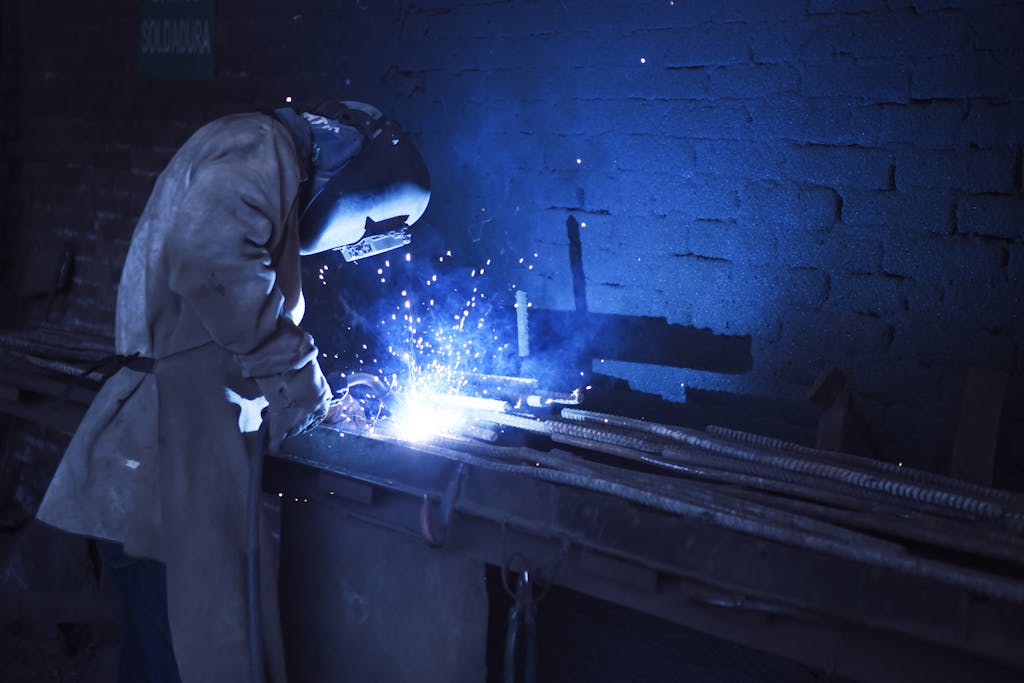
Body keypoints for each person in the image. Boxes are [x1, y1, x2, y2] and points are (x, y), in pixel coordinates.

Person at [35, 100, 430, 682]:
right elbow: (214, 263)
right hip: (171, 457)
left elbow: (224, 309)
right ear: (366, 184)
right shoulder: (261, 146)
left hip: (177, 445)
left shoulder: (257, 152)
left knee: (163, 653)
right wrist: (306, 394)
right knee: (183, 656)